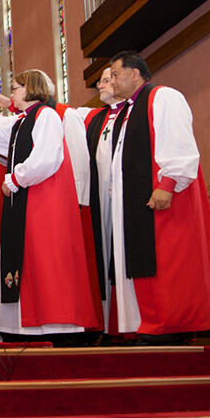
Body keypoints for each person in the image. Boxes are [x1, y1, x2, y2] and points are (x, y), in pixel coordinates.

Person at [0, 70, 100, 343]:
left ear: (30, 89)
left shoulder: (47, 115)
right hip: (30, 197)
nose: (11, 93)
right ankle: (27, 324)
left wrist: (16, 178)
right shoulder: (23, 120)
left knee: (45, 259)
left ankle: (54, 323)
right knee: (29, 259)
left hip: (45, 200)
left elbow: (48, 157)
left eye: (15, 88)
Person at [103, 51, 210, 343]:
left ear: (134, 73)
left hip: (164, 196)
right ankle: (150, 323)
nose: (111, 81)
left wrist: (168, 182)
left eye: (115, 74)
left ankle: (170, 324)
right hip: (137, 203)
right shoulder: (128, 110)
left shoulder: (163, 97)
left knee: (169, 263)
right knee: (148, 264)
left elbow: (179, 141)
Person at [82, 68, 127, 331]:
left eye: (107, 80)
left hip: (125, 197)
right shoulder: (94, 118)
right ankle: (108, 323)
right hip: (99, 198)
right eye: (100, 80)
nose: (101, 85)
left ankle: (127, 322)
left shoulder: (134, 114)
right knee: (103, 255)